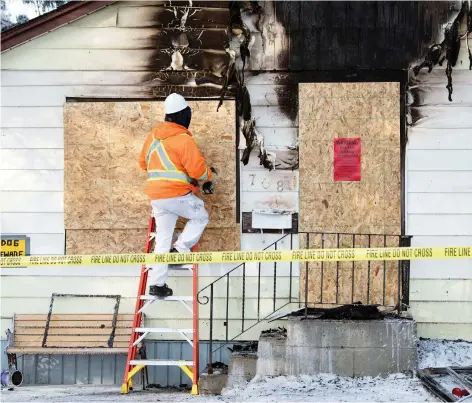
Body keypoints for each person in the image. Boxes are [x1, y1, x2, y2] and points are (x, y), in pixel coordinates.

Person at [139, 93, 216, 297]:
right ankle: (181, 250)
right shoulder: (183, 139)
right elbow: (197, 171)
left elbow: (142, 164)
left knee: (163, 239)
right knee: (200, 216)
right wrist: (210, 175)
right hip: (176, 195)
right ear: (183, 115)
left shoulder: (152, 137)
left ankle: (157, 284)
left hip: (157, 197)